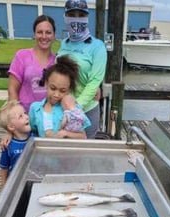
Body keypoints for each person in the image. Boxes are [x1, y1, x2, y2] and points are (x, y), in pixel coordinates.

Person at [57, 0, 107, 139]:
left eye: (81, 15)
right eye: (72, 14)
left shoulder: (98, 46)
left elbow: (95, 80)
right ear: (65, 17)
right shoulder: (63, 44)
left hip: (87, 110)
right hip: (62, 108)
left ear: (87, 18)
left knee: (85, 152)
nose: (76, 19)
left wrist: (75, 108)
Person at [29, 55, 91, 139]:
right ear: (46, 83)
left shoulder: (72, 109)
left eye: (62, 91)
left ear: (69, 90)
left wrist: (66, 134)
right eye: (53, 88)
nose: (56, 94)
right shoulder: (35, 108)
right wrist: (10, 134)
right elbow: (28, 132)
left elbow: (83, 136)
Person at [8, 15, 56, 112]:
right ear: (34, 35)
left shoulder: (57, 62)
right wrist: (17, 115)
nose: (44, 36)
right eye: (39, 32)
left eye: (48, 32)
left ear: (54, 35)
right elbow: (12, 89)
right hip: (25, 119)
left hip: (49, 120)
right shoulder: (22, 56)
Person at [0, 100, 33, 186]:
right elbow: (4, 167)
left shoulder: (35, 137)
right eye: (21, 116)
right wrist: (3, 186)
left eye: (25, 113)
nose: (26, 117)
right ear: (11, 126)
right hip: (15, 183)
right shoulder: (8, 146)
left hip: (33, 180)